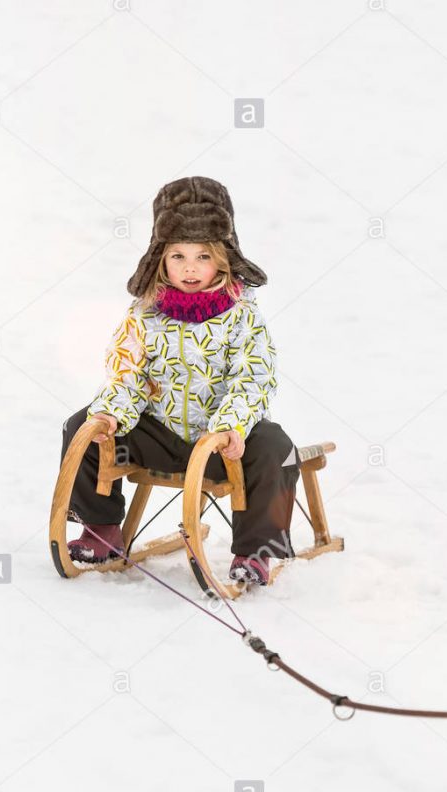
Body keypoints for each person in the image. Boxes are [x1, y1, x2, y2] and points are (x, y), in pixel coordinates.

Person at [60, 175, 300, 587]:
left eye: (203, 256)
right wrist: (113, 414)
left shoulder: (241, 316)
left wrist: (231, 426)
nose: (190, 268)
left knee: (277, 448)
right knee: (83, 424)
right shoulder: (145, 315)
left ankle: (255, 549)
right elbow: (128, 373)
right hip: (159, 435)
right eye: (178, 256)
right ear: (160, 260)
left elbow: (253, 377)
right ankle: (101, 529)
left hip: (222, 444)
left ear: (222, 259)